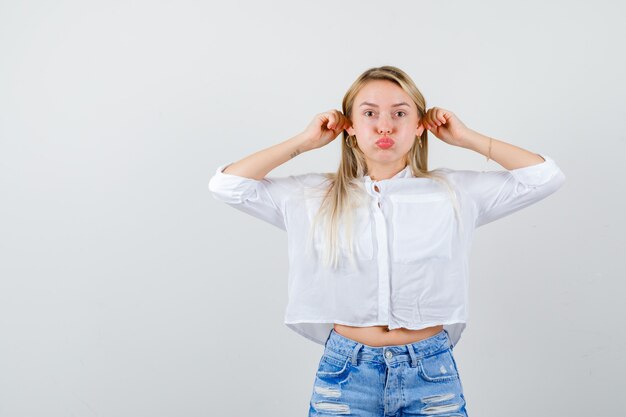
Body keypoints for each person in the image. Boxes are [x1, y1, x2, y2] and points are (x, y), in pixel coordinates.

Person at [208, 65, 566, 416]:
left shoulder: (453, 192)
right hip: (346, 373)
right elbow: (227, 186)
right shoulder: (313, 195)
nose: (385, 125)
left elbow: (544, 177)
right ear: (348, 126)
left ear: (420, 126)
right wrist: (305, 142)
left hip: (430, 373)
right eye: (369, 113)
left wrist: (466, 138)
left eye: (400, 113)